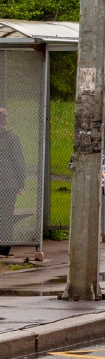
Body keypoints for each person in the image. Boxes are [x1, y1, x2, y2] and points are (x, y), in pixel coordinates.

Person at [0, 108, 26, 256]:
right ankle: (4, 247)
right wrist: (21, 183)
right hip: (8, 183)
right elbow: (18, 161)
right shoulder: (11, 138)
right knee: (6, 215)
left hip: (7, 182)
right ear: (5, 120)